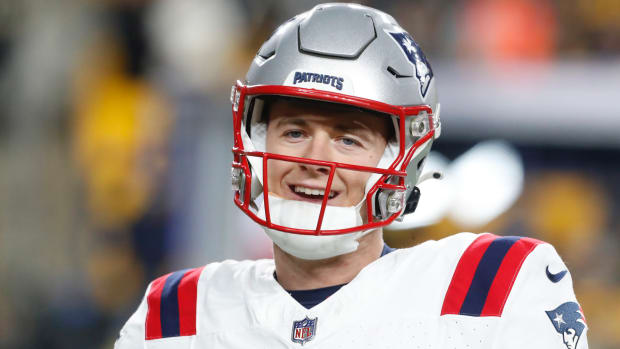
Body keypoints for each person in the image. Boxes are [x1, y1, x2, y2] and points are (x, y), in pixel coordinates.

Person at [115, 3, 588, 348]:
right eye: (294, 131)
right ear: (255, 144)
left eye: (348, 138)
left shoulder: (492, 287)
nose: (316, 159)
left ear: (402, 163)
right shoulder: (176, 315)